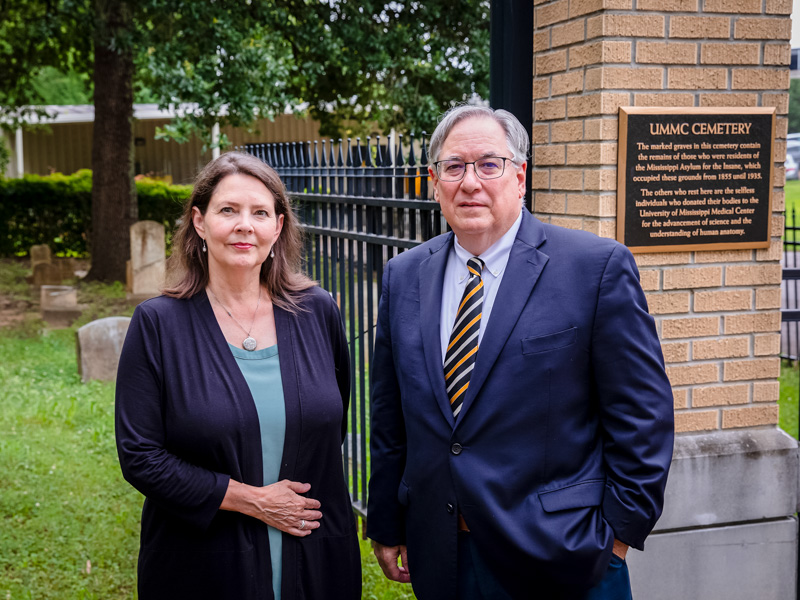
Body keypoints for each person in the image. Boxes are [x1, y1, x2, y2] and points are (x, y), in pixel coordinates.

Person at [367, 106, 674, 600]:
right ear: (434, 180)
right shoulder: (405, 276)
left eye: (489, 164)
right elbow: (389, 417)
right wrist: (386, 520)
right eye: (454, 166)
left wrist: (614, 538)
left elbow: (643, 418)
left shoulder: (594, 269)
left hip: (564, 560)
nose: (470, 182)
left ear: (519, 177)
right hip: (444, 556)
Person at [115, 152, 361, 600]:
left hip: (316, 553)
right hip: (202, 561)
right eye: (228, 210)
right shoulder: (158, 324)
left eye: (260, 212)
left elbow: (333, 425)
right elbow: (140, 457)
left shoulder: (317, 311)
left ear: (278, 228)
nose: (245, 225)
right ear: (200, 222)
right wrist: (254, 501)